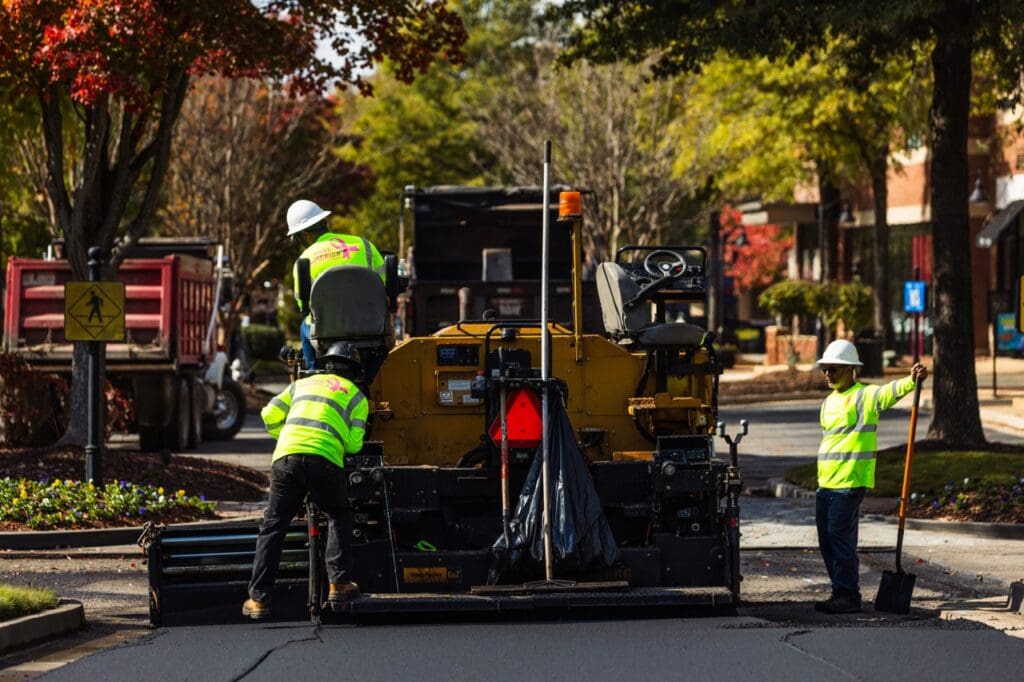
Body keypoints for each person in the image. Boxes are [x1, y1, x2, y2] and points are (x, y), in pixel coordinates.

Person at [242, 341, 368, 620]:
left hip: (287, 459)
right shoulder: (357, 397)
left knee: (273, 527)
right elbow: (355, 445)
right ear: (353, 371)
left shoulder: (302, 384)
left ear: (325, 365)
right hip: (325, 462)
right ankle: (339, 583)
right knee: (338, 515)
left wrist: (287, 436)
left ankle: (258, 600)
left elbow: (269, 414)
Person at [813, 339, 927, 614]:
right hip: (826, 484)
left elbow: (890, 392)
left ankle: (848, 595)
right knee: (827, 540)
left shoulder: (866, 396)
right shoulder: (828, 403)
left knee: (840, 538)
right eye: (825, 369)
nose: (828, 374)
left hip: (850, 482)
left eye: (834, 369)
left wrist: (911, 380)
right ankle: (840, 589)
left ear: (852, 369)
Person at [286, 199, 386, 370]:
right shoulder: (365, 246)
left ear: (304, 235)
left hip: (325, 335)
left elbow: (304, 305)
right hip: (373, 331)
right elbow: (384, 287)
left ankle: (313, 374)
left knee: (305, 324)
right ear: (324, 222)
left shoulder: (304, 260)